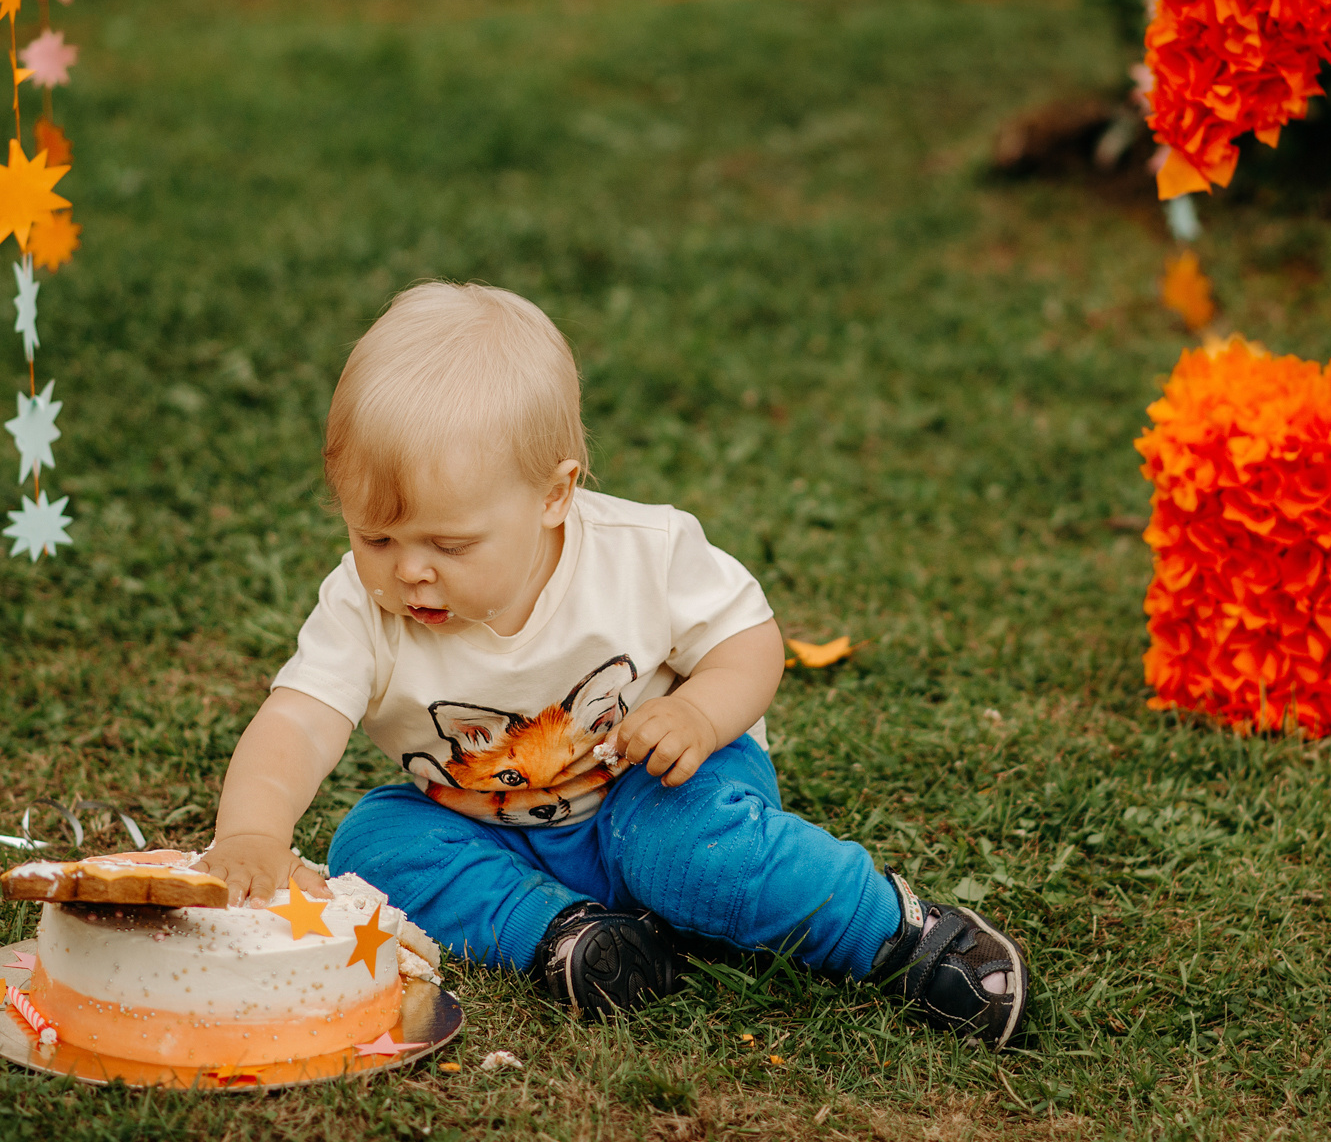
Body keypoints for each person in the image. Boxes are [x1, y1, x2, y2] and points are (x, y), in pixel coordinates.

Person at [197, 281, 1029, 1048]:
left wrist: (700, 714)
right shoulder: (362, 607)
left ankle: (897, 934)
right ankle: (571, 935)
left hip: (665, 789)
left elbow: (748, 640)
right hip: (492, 828)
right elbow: (299, 720)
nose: (410, 571)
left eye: (450, 545)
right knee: (373, 843)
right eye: (375, 537)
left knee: (684, 852)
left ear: (554, 496)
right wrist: (251, 831)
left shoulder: (642, 554)